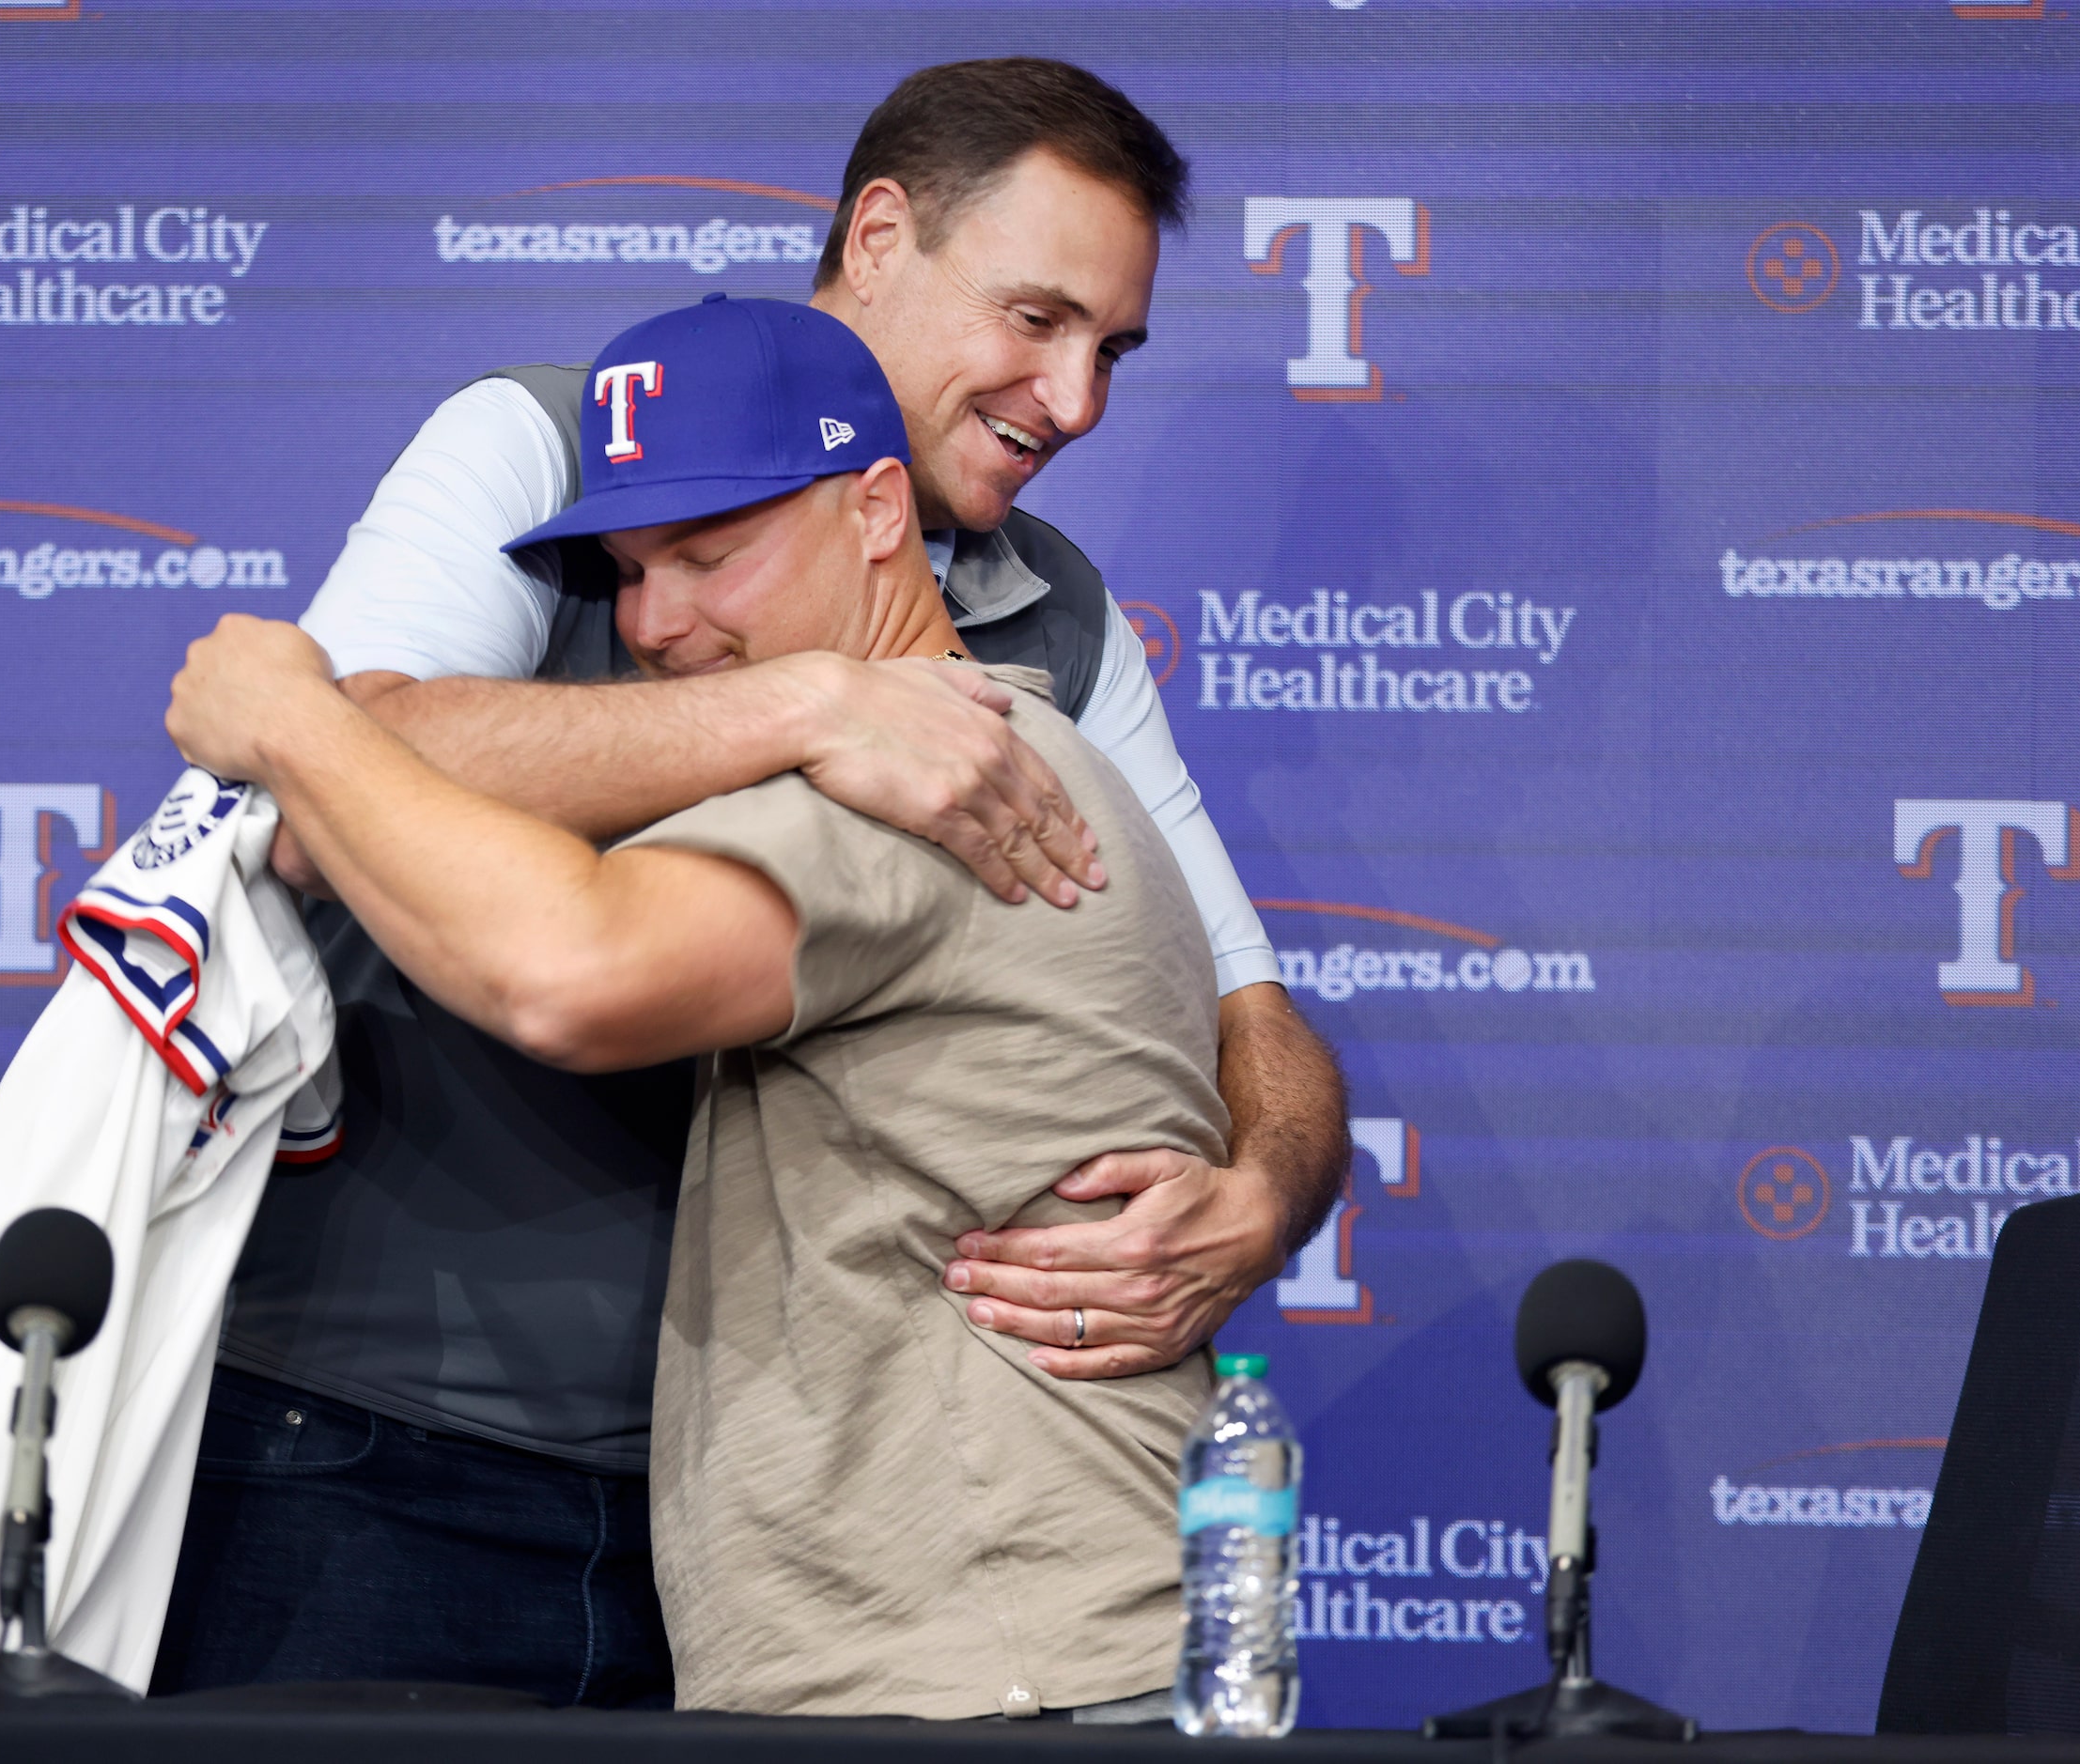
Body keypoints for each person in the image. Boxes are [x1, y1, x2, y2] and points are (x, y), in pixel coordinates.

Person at [150, 57, 1347, 1704]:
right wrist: (807, 701)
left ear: (865, 528)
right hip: (381, 1442)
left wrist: (1260, 1193)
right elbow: (326, 779)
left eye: (1111, 351)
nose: (1072, 398)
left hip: (804, 1537)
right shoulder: (546, 439)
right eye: (1035, 318)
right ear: (878, 236)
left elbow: (1232, 993)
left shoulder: (1041, 653)